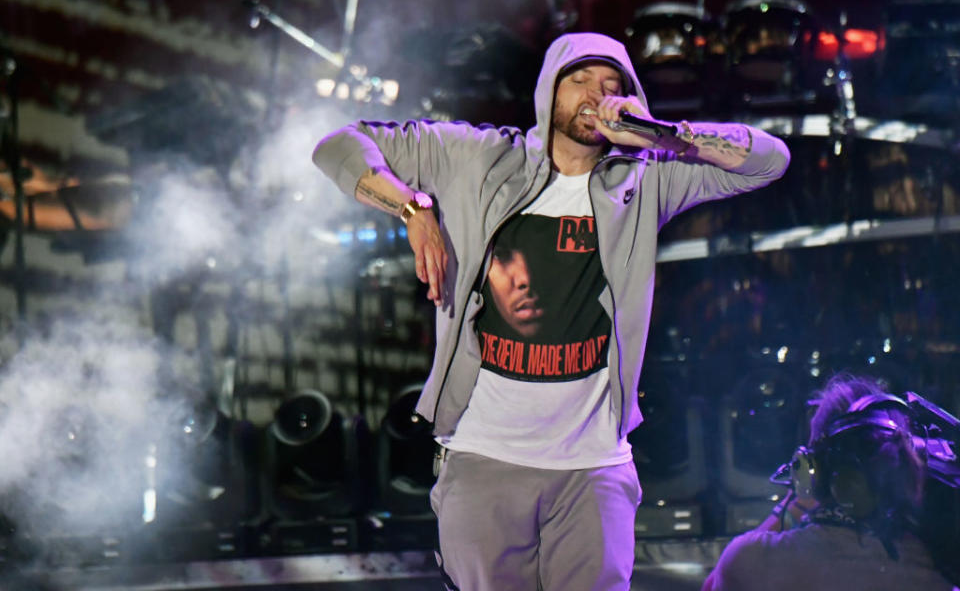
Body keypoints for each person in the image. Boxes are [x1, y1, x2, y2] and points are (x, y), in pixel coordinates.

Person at [312, 32, 789, 590]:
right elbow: (339, 145)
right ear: (549, 90)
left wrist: (662, 133)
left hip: (593, 465)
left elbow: (767, 161)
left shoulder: (647, 175)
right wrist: (411, 206)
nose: (597, 95)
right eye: (581, 80)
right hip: (485, 457)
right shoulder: (476, 156)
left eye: (613, 86)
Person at [701, 372, 957, 591]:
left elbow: (712, 585)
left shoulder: (750, 562)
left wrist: (799, 498)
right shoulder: (931, 577)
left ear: (815, 470)